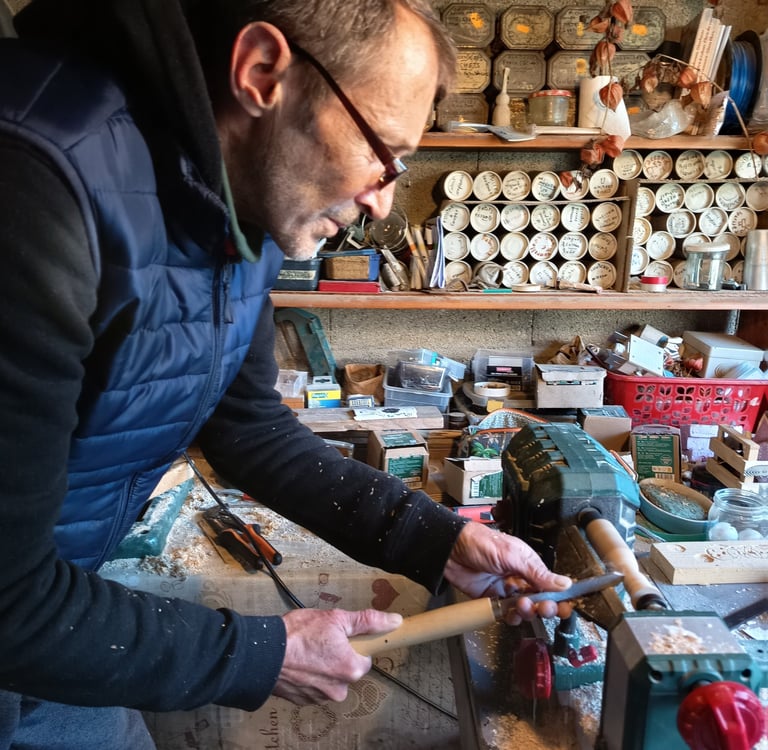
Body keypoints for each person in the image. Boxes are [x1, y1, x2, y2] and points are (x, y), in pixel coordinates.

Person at [0, 1, 573, 747]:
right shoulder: (36, 184)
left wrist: (437, 540)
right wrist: (258, 653)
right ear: (261, 73)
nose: (383, 201)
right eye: (380, 151)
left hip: (47, 628)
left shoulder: (237, 199)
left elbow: (249, 427)